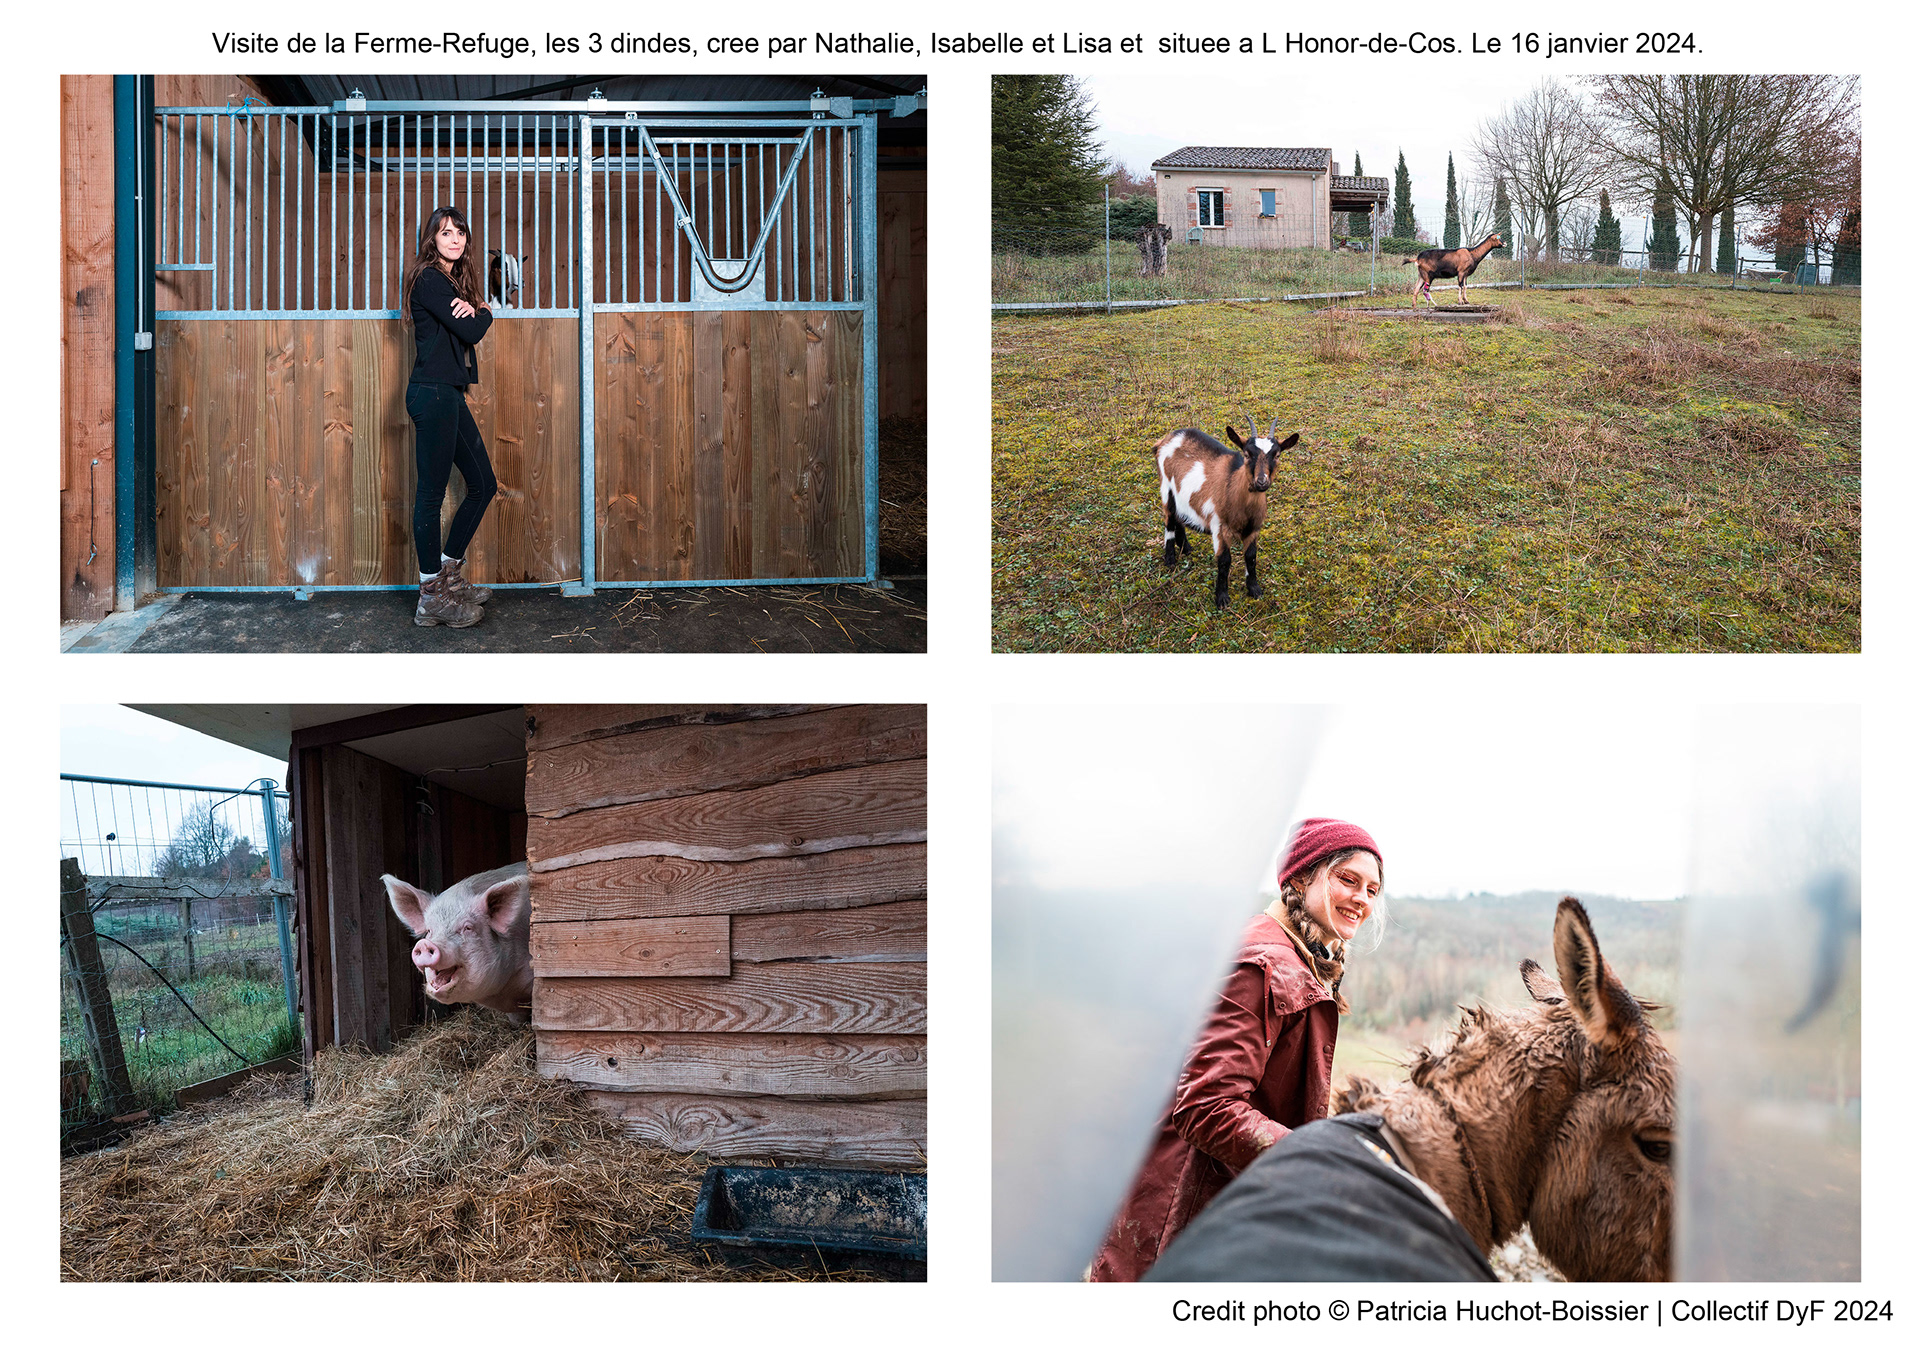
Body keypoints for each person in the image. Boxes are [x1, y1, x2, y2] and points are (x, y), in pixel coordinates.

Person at [1088, 817, 1385, 1282]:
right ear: (1302, 877)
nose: (1362, 899)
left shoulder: (1296, 957)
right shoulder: (1261, 965)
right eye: (1348, 880)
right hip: (1184, 1221)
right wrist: (1319, 1160)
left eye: (1372, 889)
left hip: (1217, 1214)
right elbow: (1207, 1107)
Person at [402, 206, 500, 627]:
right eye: (446, 233)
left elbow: (468, 325)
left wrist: (474, 305)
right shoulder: (429, 279)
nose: (455, 239)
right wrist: (484, 309)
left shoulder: (450, 282)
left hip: (449, 395)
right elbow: (474, 331)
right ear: (432, 240)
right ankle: (430, 595)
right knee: (430, 495)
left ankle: (449, 575)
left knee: (483, 484)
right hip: (432, 394)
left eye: (460, 232)